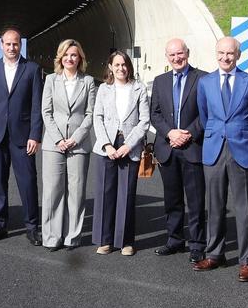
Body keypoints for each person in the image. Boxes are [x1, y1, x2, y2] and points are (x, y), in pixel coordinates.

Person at [194, 36, 248, 281]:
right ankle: (214, 254)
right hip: (214, 148)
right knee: (214, 205)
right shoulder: (205, 82)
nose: (225, 58)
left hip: (242, 148)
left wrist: (243, 134)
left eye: (230, 53)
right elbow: (205, 116)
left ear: (238, 55)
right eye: (221, 53)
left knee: (245, 208)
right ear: (216, 54)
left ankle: (247, 261)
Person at [0, 29, 45, 245]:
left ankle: (32, 227)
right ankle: (0, 225)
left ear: (20, 45)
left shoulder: (32, 69)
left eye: (15, 44)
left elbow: (37, 106)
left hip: (23, 138)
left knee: (28, 182)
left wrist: (35, 135)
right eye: (7, 44)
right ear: (1, 45)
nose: (11, 48)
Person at [149, 38, 207, 263]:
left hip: (193, 148)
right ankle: (174, 240)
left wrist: (188, 133)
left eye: (180, 53)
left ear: (187, 53)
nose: (176, 58)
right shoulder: (160, 81)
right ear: (167, 57)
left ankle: (197, 244)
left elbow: (206, 113)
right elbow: (155, 114)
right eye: (172, 55)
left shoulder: (202, 79)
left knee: (195, 200)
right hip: (168, 148)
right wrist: (170, 133)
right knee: (172, 199)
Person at [90, 50, 151, 256]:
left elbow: (144, 121)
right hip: (107, 145)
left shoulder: (139, 88)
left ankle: (125, 241)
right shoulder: (104, 89)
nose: (121, 68)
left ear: (129, 66)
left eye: (124, 64)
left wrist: (129, 145)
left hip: (129, 145)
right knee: (105, 193)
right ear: (110, 67)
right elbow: (97, 117)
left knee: (126, 194)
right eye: (116, 65)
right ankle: (105, 240)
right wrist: (107, 144)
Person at [39, 38, 98, 250]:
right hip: (53, 144)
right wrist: (58, 139)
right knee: (52, 192)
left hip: (78, 145)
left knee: (76, 192)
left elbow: (91, 114)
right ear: (60, 57)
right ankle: (51, 237)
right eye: (66, 54)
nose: (69, 58)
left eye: (74, 54)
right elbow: (46, 112)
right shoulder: (51, 80)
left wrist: (76, 138)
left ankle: (72, 237)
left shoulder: (88, 81)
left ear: (80, 58)